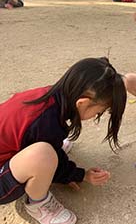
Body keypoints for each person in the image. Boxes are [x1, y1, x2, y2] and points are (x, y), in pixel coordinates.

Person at [0, 57, 127, 224]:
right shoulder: (45, 122)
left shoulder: (50, 98)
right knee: (44, 156)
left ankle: (42, 160)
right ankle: (38, 203)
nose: (96, 116)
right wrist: (79, 175)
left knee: (48, 151)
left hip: (10, 149)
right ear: (83, 103)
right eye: (98, 112)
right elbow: (50, 156)